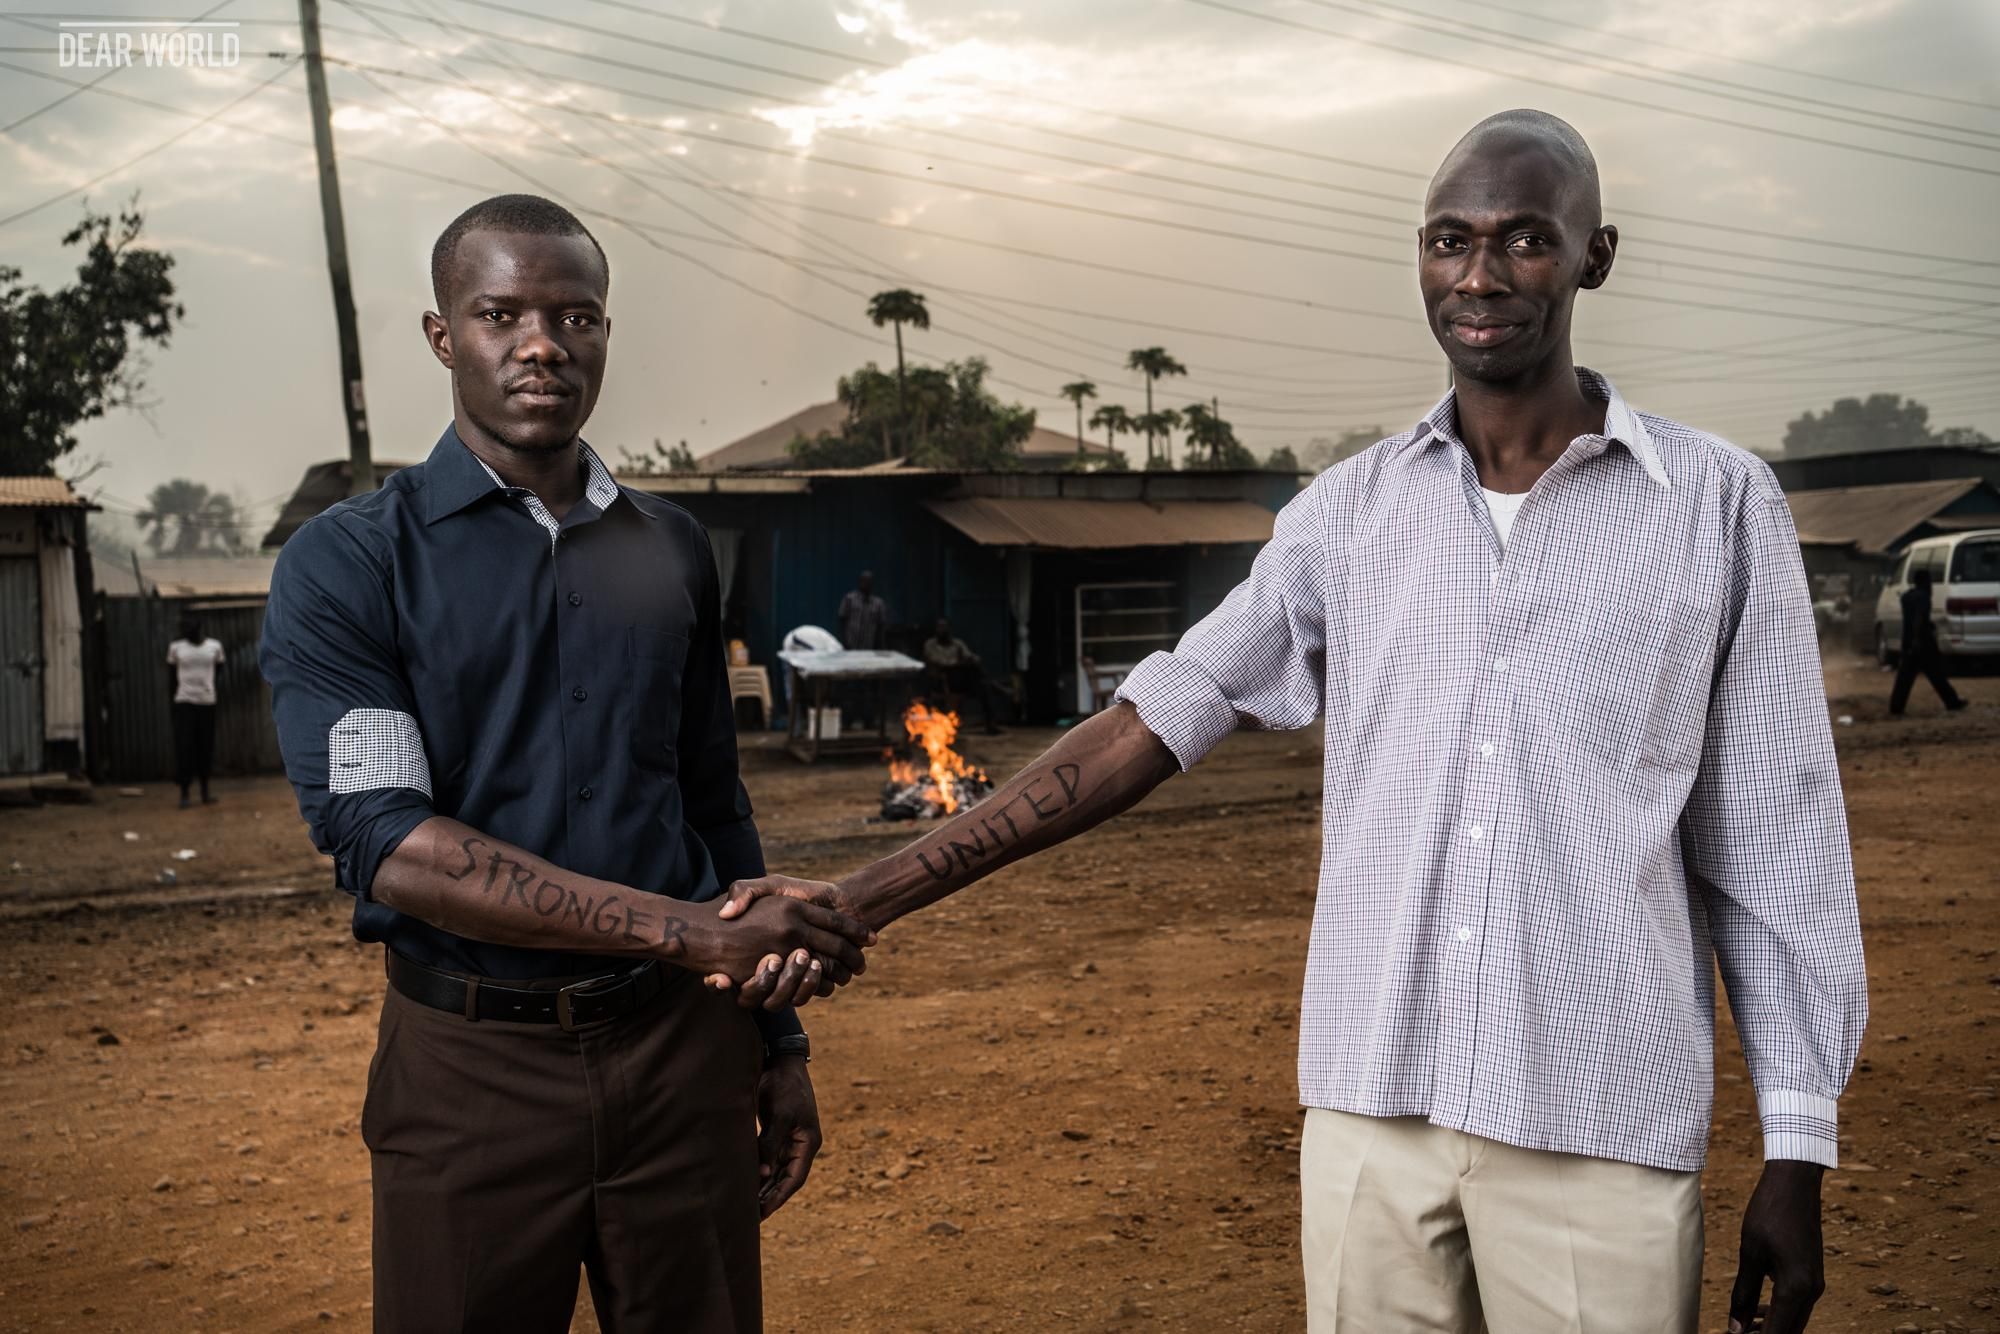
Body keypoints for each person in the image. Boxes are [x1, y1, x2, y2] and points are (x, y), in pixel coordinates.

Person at [720, 111, 1868, 1334]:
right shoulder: (1346, 512)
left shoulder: (1711, 504)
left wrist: (1796, 1150)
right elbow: (1155, 714)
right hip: (1369, 1114)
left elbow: (1771, 837)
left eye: (1525, 240)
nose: (1478, 275)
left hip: (1598, 1123)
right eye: (1449, 239)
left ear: (1594, 255)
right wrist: (863, 896)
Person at [259, 194, 874, 1334]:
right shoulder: (351, 562)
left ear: (602, 333)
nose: (542, 343)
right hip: (470, 1071)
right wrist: (693, 932)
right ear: (445, 336)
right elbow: (390, 845)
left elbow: (709, 803)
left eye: (575, 316)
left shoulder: (671, 546)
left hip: (680, 1055)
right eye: (500, 313)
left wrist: (774, 1039)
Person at [1890, 566, 1967, 715]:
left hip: (1908, 642)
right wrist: (1918, 638)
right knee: (1937, 675)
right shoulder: (1924, 597)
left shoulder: (1906, 597)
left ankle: (1896, 707)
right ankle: (1952, 702)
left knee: (1904, 678)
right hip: (1922, 643)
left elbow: (1912, 618)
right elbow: (1918, 618)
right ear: (1925, 582)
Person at [166, 613, 224, 808]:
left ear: (199, 629)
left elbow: (219, 671)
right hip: (184, 702)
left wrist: (207, 688)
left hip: (207, 702)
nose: (185, 633)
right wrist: (174, 703)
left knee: (205, 747)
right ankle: (184, 793)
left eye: (188, 630)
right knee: (184, 748)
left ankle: (205, 791)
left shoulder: (214, 647)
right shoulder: (176, 648)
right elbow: (170, 677)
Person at [921, 618, 1004, 735]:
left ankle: (990, 723)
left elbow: (970, 656)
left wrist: (972, 659)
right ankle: (995, 685)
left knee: (982, 686)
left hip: (962, 678)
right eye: (940, 627)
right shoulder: (931, 645)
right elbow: (935, 661)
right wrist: (956, 663)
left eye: (945, 627)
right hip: (944, 677)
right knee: (968, 673)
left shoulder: (957, 644)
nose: (943, 630)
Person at [836, 570, 888, 651]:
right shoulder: (849, 599)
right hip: (851, 645)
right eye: (863, 580)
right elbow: (842, 621)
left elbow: (880, 626)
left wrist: (880, 645)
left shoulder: (878, 603)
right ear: (859, 582)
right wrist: (844, 641)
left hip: (869, 647)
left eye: (868, 581)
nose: (865, 583)